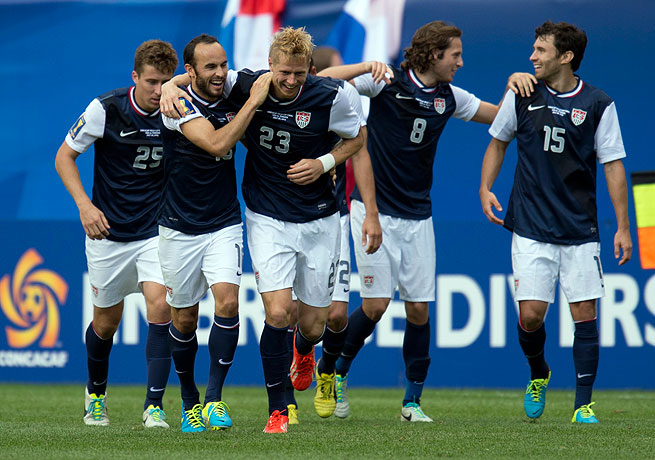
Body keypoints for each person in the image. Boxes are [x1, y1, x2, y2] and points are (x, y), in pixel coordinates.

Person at [318, 20, 533, 422]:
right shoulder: (385, 83)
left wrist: (515, 84)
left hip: (418, 216)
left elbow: (503, 119)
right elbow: (325, 79)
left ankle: (412, 402)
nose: (461, 62)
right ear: (434, 55)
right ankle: (334, 371)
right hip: (372, 210)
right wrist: (366, 66)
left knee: (419, 310)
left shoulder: (450, 97)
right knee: (377, 306)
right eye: (456, 55)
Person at [479, 21, 632, 424]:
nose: (532, 57)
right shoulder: (523, 94)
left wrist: (622, 226)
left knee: (584, 314)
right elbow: (498, 142)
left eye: (541, 50)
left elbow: (613, 166)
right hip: (530, 226)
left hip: (580, 230)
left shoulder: (599, 103)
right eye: (533, 49)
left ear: (565, 57)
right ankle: (538, 373)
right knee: (530, 316)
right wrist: (485, 187)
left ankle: (584, 404)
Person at [54, 39, 178, 428]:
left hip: (155, 231)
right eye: (152, 82)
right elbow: (64, 157)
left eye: (166, 82)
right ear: (135, 77)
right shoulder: (105, 109)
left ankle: (153, 406)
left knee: (161, 306)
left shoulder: (179, 111)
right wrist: (84, 206)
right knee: (106, 323)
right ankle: (95, 395)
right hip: (108, 233)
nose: (159, 91)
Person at [159, 34, 271, 433]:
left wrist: (364, 69)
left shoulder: (233, 84)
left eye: (223, 64)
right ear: (190, 72)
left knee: (228, 303)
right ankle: (188, 400)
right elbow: (217, 142)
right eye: (211, 67)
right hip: (178, 227)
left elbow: (300, 76)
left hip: (224, 221)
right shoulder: (175, 104)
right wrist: (252, 104)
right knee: (185, 318)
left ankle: (214, 401)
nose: (220, 73)